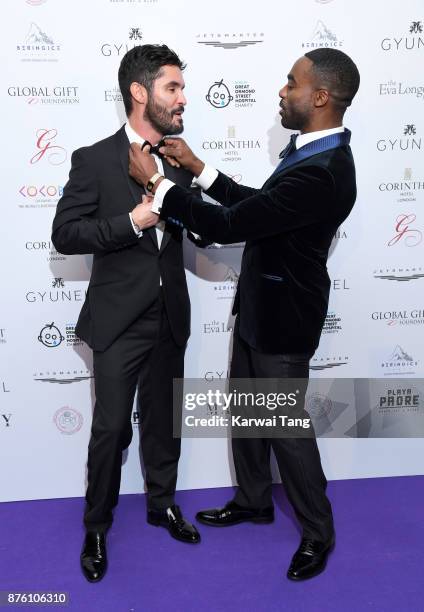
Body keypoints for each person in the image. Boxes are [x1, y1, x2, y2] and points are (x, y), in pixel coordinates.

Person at [128, 48, 360, 581]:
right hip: (262, 306)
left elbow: (235, 225)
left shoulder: (325, 170)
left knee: (285, 427)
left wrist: (159, 186)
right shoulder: (311, 153)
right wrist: (200, 170)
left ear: (320, 97)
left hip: (285, 318)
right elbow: (262, 209)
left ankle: (318, 533)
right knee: (250, 412)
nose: (282, 91)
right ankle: (255, 501)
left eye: (291, 82)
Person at [51, 44, 203, 584]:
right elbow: (65, 234)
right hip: (118, 321)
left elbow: (199, 225)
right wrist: (132, 221)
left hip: (171, 316)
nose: (183, 97)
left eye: (182, 88)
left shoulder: (180, 158)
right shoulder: (93, 159)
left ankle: (161, 504)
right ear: (140, 93)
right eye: (173, 88)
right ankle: (97, 525)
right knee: (112, 429)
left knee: (165, 423)